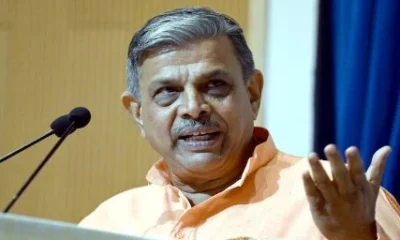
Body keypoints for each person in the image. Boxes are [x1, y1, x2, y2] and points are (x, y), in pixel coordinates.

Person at [79, 7, 400, 240]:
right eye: (168, 92)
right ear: (138, 113)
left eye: (214, 85)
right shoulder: (110, 222)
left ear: (252, 93)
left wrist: (355, 237)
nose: (193, 108)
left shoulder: (338, 198)